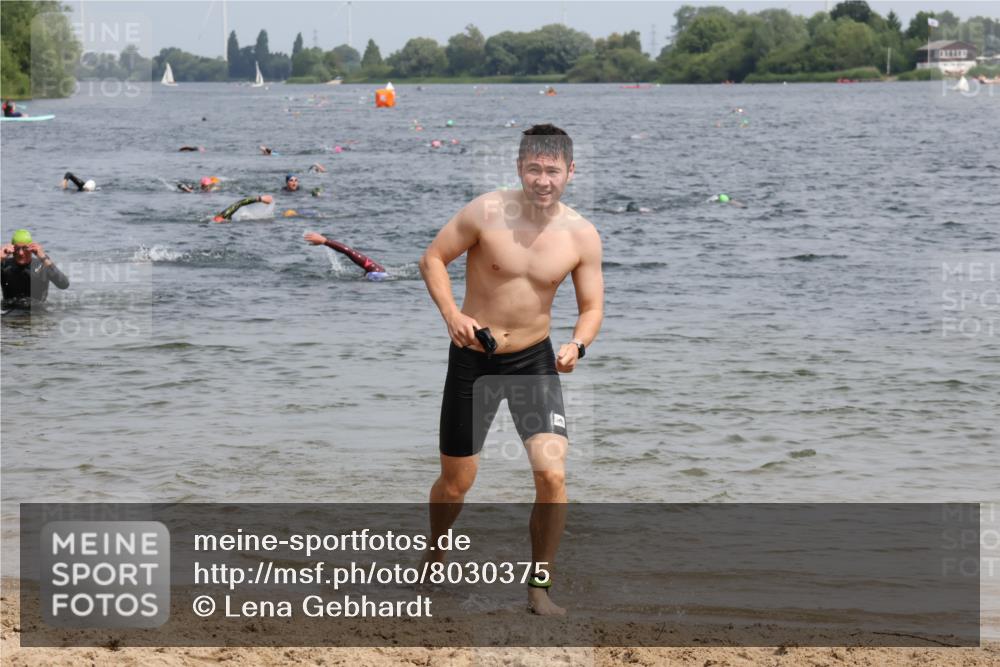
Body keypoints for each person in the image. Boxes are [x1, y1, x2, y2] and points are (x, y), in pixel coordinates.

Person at [418, 124, 604, 616]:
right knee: (456, 485)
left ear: (570, 172)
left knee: (553, 477)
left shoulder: (581, 235)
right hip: (473, 359)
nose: (544, 180)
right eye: (534, 169)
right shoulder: (486, 212)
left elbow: (591, 308)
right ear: (520, 168)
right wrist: (453, 316)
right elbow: (433, 259)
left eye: (554, 171)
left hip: (533, 361)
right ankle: (435, 550)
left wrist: (577, 346)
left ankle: (538, 588)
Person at [1, 229, 70, 309]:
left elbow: (64, 284)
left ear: (31, 248)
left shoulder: (42, 265)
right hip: (9, 315)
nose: (21, 253)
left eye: (25, 248)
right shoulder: (4, 265)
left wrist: (43, 257)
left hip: (38, 316)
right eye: (17, 248)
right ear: (12, 249)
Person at [304, 231, 387, 280]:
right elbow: (350, 252)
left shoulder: (377, 272)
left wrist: (325, 241)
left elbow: (349, 252)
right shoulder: (377, 272)